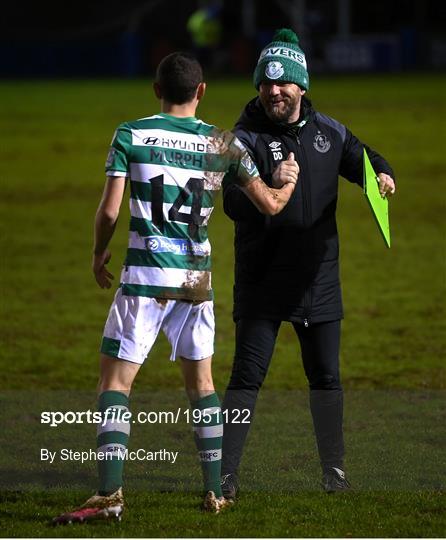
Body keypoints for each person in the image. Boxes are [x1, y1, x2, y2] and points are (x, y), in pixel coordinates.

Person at [52, 51, 298, 524]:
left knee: (115, 383)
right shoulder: (222, 143)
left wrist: (98, 251)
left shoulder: (131, 134)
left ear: (157, 90)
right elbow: (268, 204)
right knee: (202, 386)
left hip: (144, 278)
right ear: (201, 91)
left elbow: (108, 211)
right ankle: (214, 493)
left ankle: (109, 494)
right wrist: (286, 183)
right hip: (195, 281)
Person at [220, 29, 396, 499]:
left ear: (302, 86)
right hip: (263, 279)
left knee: (326, 378)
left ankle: (333, 472)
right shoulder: (244, 139)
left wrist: (382, 174)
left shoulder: (329, 133)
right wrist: (267, 184)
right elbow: (230, 203)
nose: (274, 92)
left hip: (319, 279)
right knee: (246, 377)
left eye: (283, 84)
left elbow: (367, 158)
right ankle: (226, 474)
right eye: (266, 84)